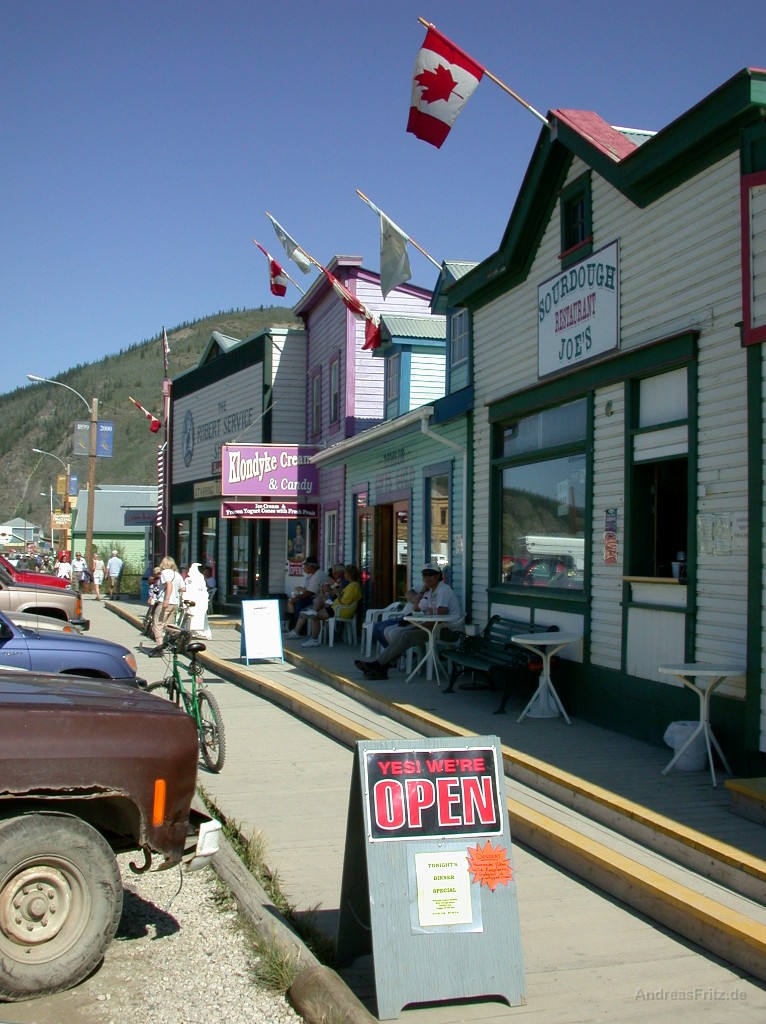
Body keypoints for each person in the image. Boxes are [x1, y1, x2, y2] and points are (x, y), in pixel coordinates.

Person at [355, 564, 461, 680]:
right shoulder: (432, 592)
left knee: (405, 635)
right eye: (424, 575)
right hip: (437, 628)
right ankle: (381, 667)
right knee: (403, 634)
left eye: (431, 574)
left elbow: (439, 616)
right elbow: (419, 609)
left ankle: (378, 665)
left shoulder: (443, 590)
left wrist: (417, 627)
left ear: (438, 576)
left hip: (449, 631)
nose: (427, 578)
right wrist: (422, 593)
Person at [299, 564, 362, 647]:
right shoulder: (348, 584)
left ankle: (314, 639)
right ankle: (313, 635)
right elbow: (336, 594)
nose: (344, 575)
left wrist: (336, 592)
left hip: (339, 610)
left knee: (315, 616)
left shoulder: (353, 586)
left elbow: (344, 601)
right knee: (319, 600)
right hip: (334, 606)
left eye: (345, 573)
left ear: (349, 574)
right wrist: (329, 590)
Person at [150, 555, 185, 656]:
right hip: (175, 603)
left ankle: (160, 648)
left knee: (158, 625)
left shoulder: (165, 572)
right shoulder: (177, 574)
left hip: (165, 602)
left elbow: (169, 584)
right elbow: (183, 588)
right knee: (169, 626)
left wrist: (166, 599)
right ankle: (178, 639)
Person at [284, 558, 329, 636]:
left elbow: (310, 593)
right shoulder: (311, 575)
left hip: (320, 600)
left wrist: (297, 598)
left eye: (305, 566)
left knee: (299, 603)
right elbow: (307, 590)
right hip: (315, 599)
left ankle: (300, 631)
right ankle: (292, 627)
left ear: (310, 566)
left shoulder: (318, 575)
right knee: (292, 602)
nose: (303, 567)